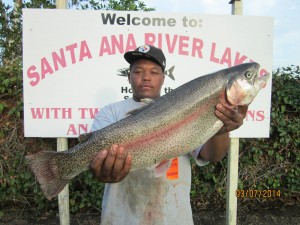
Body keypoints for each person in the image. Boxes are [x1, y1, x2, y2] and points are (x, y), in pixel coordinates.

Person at [90, 44, 248, 225]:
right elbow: (96, 159)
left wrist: (222, 129)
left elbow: (213, 155)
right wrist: (102, 171)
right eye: (138, 71)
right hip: (121, 217)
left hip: (174, 216)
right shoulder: (110, 112)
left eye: (154, 72)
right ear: (129, 77)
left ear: (164, 78)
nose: (146, 77)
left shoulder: (185, 107)